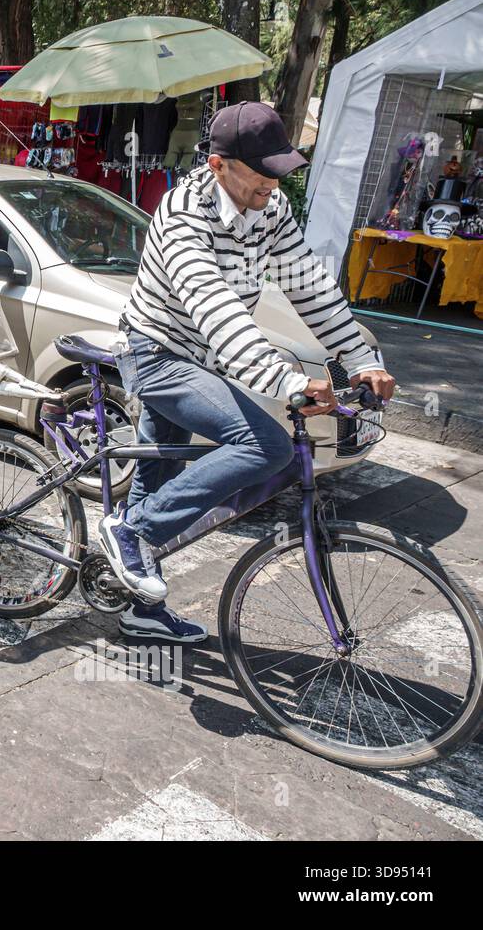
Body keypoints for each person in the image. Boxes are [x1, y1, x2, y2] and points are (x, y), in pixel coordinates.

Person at [100, 101, 397, 644]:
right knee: (266, 447)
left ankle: (137, 601)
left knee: (157, 482)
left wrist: (361, 359)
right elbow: (216, 310)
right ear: (219, 166)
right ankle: (132, 531)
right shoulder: (184, 214)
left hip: (204, 360)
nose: (273, 184)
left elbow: (308, 285)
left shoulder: (271, 209)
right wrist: (287, 380)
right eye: (263, 173)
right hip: (158, 354)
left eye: (279, 171)